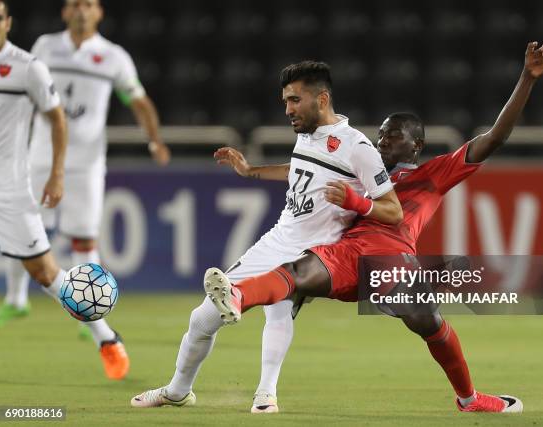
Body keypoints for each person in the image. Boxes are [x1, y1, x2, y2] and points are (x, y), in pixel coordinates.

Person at [140, 41, 543, 412]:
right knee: (295, 276)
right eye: (382, 136)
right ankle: (238, 311)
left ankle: (469, 398)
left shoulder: (430, 174)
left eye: (393, 138)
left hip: (393, 260)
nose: (383, 143)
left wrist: (526, 79)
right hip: (347, 251)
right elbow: (307, 170)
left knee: (428, 321)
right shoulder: (353, 157)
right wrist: (251, 171)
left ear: (416, 146)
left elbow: (494, 137)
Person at [130, 60, 403, 407]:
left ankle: (266, 395)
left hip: (314, 254)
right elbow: (300, 170)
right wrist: (250, 171)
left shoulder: (358, 148)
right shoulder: (306, 134)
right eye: (285, 101)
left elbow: (393, 211)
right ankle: (178, 391)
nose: (287, 109)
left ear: (321, 100)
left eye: (294, 100)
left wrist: (356, 202)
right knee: (202, 319)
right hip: (277, 239)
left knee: (278, 310)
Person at [0, 0, 171, 334]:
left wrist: (154, 140)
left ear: (99, 13)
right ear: (64, 13)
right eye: (75, 4)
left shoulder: (113, 56)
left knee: (84, 237)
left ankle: (90, 313)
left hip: (87, 162)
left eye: (88, 4)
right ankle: (16, 299)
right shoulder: (45, 47)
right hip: (37, 157)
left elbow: (137, 100)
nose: (81, 10)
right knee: (25, 229)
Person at [0, 0, 128, 380]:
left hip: (9, 185)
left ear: (8, 22)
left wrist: (56, 173)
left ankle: (105, 337)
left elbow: (57, 119)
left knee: (45, 270)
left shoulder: (28, 67)